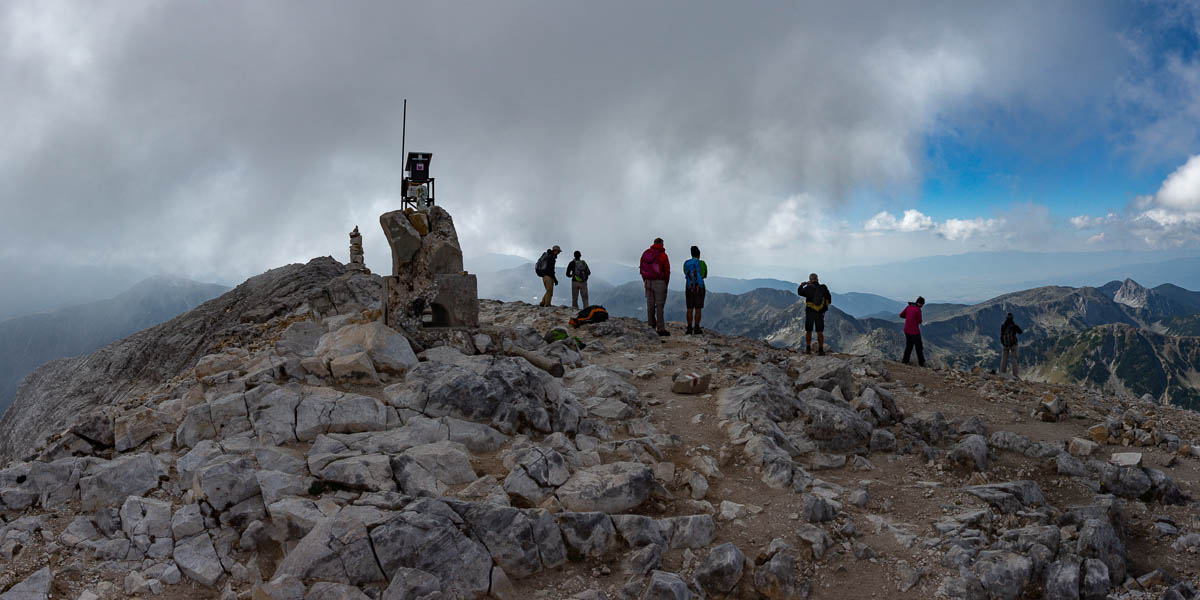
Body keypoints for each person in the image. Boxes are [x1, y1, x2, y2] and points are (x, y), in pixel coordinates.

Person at [639, 237, 671, 336]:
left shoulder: (646, 253)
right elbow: (667, 271)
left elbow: (642, 268)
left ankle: (651, 326)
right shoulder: (663, 255)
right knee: (660, 307)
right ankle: (660, 329)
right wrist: (665, 284)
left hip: (648, 282)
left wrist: (645, 281)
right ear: (661, 244)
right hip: (659, 282)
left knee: (650, 305)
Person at [797, 273, 831, 355]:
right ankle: (821, 350)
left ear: (810, 280)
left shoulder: (808, 288)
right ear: (817, 279)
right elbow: (829, 299)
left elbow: (800, 292)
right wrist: (823, 309)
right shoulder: (823, 288)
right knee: (820, 332)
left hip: (810, 311)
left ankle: (808, 349)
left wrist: (802, 285)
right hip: (819, 313)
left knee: (809, 331)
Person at [683, 246, 708, 335]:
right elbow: (704, 275)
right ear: (699, 254)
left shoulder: (686, 263)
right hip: (700, 287)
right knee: (698, 309)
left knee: (689, 308)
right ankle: (696, 328)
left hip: (689, 287)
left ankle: (689, 328)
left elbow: (685, 273)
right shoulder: (702, 263)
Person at [900, 296, 926, 366]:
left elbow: (901, 315)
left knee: (909, 346)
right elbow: (919, 321)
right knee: (919, 347)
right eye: (922, 304)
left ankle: (905, 361)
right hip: (914, 331)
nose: (922, 306)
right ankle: (921, 363)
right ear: (920, 303)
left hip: (906, 330)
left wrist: (908, 317)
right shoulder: (918, 310)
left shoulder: (908, 307)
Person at [1000, 313, 1023, 378]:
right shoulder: (1014, 325)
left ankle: (1002, 373)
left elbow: (1001, 335)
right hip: (1013, 344)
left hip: (1005, 345)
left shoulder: (1003, 325)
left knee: (1004, 359)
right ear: (1012, 318)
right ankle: (1015, 375)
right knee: (1014, 359)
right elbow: (1020, 332)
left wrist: (1003, 343)